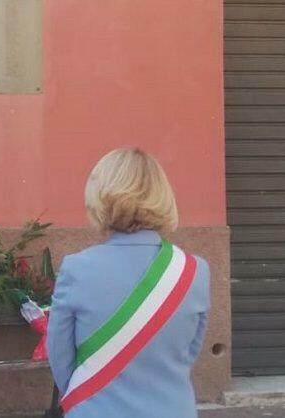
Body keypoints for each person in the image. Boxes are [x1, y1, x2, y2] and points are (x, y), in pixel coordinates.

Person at [47, 148, 211, 417]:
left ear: (98, 197)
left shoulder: (77, 269)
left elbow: (60, 359)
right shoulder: (195, 271)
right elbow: (188, 354)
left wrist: (89, 398)